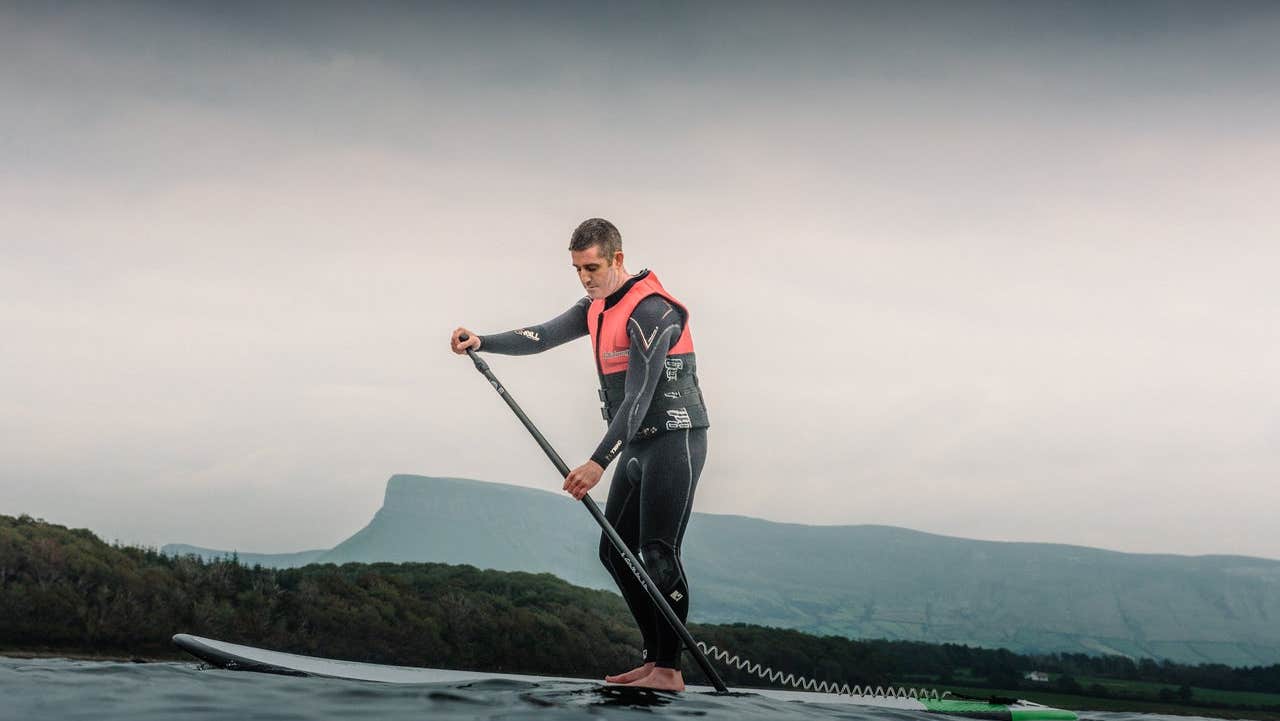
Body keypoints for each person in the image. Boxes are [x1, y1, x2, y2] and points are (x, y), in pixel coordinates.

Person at [450, 218, 709, 691]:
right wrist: (482, 341)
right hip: (633, 444)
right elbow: (543, 336)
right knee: (614, 551)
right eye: (577, 269)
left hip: (674, 440)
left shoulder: (651, 312)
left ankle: (670, 671)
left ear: (617, 259)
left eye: (592, 267)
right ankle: (654, 659)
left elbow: (638, 397)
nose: (586, 277)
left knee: (656, 551)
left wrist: (596, 462)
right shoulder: (595, 307)